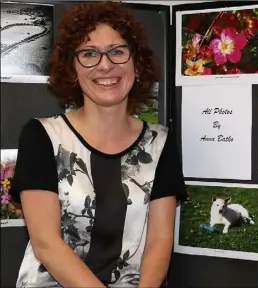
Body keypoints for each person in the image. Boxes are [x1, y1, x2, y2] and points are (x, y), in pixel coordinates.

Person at [9, 1, 186, 287]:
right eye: (89, 54)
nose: (105, 65)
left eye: (117, 51)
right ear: (72, 69)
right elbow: (46, 243)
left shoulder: (160, 143)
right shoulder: (41, 136)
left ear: (137, 64)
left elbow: (159, 241)